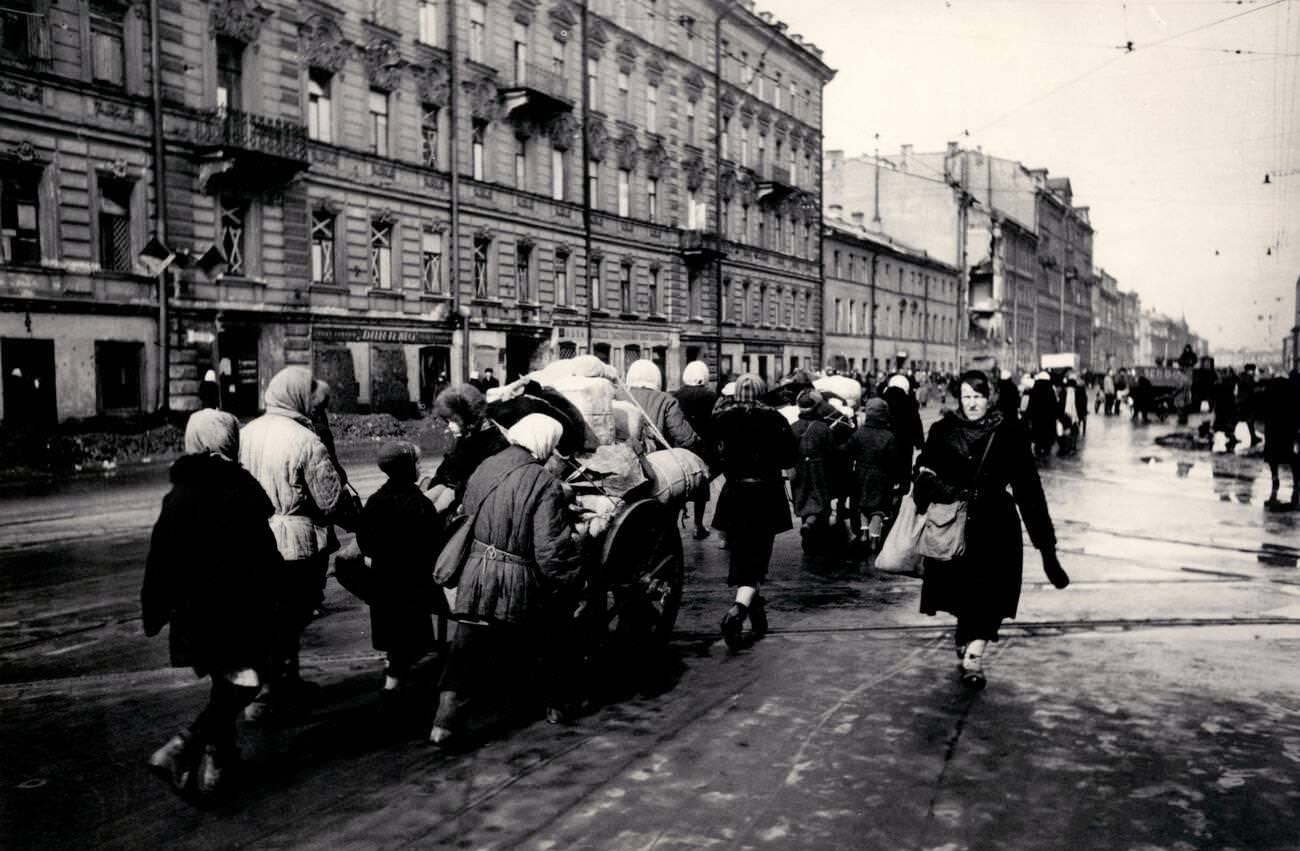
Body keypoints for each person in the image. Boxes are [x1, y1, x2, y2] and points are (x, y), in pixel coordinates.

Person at [142, 409, 280, 799]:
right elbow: (264, 559)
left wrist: (153, 611)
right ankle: (185, 746)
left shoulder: (179, 494)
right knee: (247, 683)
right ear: (230, 441)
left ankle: (220, 762)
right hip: (238, 612)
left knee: (227, 683)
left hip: (194, 614)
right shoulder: (240, 490)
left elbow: (160, 558)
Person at [430, 414, 584, 745]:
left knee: (466, 645)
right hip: (516, 579)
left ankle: (443, 724)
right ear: (544, 443)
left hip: (474, 572)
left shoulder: (486, 466)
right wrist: (572, 577)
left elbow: (468, 510)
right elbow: (548, 550)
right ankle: (559, 704)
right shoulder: (542, 481)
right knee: (556, 631)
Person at [913, 370, 1069, 689]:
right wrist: (935, 486)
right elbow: (923, 471)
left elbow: (1029, 489)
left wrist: (1047, 549)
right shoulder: (943, 430)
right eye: (967, 397)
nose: (972, 404)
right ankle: (966, 633)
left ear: (990, 397)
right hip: (955, 524)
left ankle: (975, 656)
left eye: (978, 397)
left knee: (991, 594)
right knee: (961, 593)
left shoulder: (1009, 431)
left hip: (997, 527)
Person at [239, 366, 349, 722]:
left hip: (254, 541)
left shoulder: (245, 433)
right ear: (300, 398)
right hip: (296, 543)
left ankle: (275, 686)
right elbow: (330, 501)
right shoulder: (306, 439)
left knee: (265, 617)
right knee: (290, 618)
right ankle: (274, 692)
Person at [710, 374, 797, 649]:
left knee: (742, 554)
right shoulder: (775, 419)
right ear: (763, 392)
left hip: (734, 492)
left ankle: (755, 611)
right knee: (758, 557)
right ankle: (738, 610)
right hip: (765, 493)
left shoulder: (722, 419)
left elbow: (713, 455)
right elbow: (788, 458)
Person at [357, 441, 441, 708]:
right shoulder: (419, 503)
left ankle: (394, 677)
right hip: (413, 582)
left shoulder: (375, 501)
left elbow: (365, 541)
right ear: (407, 467)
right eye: (417, 462)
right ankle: (394, 686)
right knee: (410, 636)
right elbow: (434, 543)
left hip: (384, 580)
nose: (421, 467)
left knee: (395, 637)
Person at [424, 384, 510, 514]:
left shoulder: (494, 442)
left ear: (469, 417)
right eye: (447, 421)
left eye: (453, 420)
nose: (450, 426)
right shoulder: (466, 436)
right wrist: (438, 485)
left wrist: (451, 493)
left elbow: (479, 480)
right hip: (453, 493)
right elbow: (447, 467)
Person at [847, 397, 909, 553]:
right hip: (881, 475)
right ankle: (875, 538)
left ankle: (863, 533)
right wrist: (896, 479)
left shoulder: (859, 433)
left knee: (863, 505)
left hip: (861, 473)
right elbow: (894, 460)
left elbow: (849, 450)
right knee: (878, 508)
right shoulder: (888, 436)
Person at [790, 390, 840, 553]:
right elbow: (832, 452)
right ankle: (813, 527)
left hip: (799, 469)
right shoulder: (823, 427)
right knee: (821, 502)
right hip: (819, 469)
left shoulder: (793, 427)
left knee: (804, 499)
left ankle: (807, 531)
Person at [674, 360, 718, 540]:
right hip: (703, 446)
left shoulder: (676, 395)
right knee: (702, 485)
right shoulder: (710, 395)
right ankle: (698, 526)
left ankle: (675, 523)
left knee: (680, 483)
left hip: (681, 445)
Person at [626, 359, 701, 454]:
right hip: (653, 461)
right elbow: (685, 437)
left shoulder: (616, 394)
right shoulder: (666, 400)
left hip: (621, 461)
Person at [1261, 376, 1300, 508]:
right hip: (1287, 430)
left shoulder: (1270, 398)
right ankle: (1296, 481)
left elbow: (1264, 412)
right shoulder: (1292, 397)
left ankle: (1275, 478)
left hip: (1273, 430)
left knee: (1273, 457)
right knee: (1292, 457)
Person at [882, 374, 925, 454]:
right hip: (905, 443)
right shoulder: (909, 404)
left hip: (886, 443)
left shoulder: (884, 401)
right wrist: (919, 443)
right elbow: (916, 424)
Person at [1026, 372, 1062, 458]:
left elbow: (1031, 405)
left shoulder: (1035, 390)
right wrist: (1057, 416)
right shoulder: (1050, 390)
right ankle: (1045, 451)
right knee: (1047, 437)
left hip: (1037, 419)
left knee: (1038, 436)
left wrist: (1028, 416)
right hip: (1048, 419)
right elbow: (1054, 405)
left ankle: (1038, 451)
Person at [1238, 364, 1260, 446]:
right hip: (1247, 401)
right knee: (1250, 419)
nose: (1254, 372)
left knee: (1248, 419)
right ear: (1250, 370)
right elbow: (1252, 386)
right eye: (1253, 370)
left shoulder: (1242, 376)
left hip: (1242, 401)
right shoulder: (1248, 377)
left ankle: (1253, 436)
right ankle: (1253, 437)